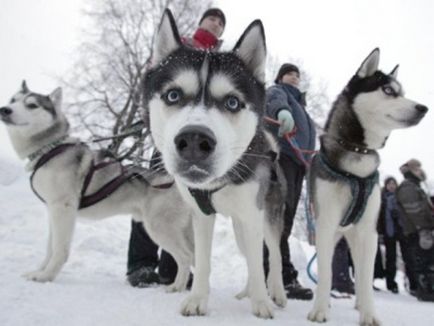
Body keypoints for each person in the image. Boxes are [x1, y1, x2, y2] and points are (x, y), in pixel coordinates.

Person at [126, 8, 226, 288]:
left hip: (204, 142)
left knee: (187, 205)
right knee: (154, 197)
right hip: (171, 136)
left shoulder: (221, 61)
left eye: (220, 23)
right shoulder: (180, 47)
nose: (216, 24)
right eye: (212, 19)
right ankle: (141, 264)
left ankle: (174, 268)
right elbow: (155, 81)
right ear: (201, 22)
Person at [263, 63, 316, 300]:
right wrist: (281, 112)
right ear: (281, 77)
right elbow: (274, 101)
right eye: (290, 74)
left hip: (298, 164)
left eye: (297, 74)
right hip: (282, 157)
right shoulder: (279, 92)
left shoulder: (302, 107)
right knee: (279, 217)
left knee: (286, 218)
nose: (294, 77)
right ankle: (278, 275)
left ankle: (276, 273)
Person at [396, 159, 434, 301]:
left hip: (421, 229)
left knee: (427, 259)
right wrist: (424, 226)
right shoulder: (408, 187)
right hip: (416, 230)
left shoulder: (416, 185)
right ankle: (425, 290)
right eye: (417, 168)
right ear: (411, 170)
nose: (420, 171)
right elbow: (415, 211)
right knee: (422, 261)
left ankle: (428, 288)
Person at [377, 176, 405, 293]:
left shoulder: (401, 198)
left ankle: (411, 282)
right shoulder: (382, 199)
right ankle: (391, 283)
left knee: (407, 258)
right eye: (389, 184)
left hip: (402, 231)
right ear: (386, 185)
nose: (392, 186)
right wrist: (380, 232)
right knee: (391, 259)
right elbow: (379, 217)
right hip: (389, 233)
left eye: (394, 183)